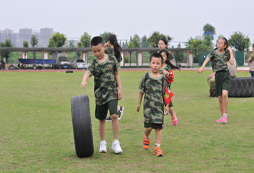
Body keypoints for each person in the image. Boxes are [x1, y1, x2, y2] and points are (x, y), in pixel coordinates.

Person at [81, 36, 123, 154]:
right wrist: (84, 80)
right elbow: (88, 71)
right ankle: (103, 142)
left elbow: (117, 73)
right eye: (94, 51)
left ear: (104, 47)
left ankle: (115, 143)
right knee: (102, 119)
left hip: (112, 92)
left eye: (98, 50)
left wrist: (119, 88)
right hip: (100, 95)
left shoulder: (112, 59)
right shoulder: (94, 63)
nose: (97, 53)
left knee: (114, 115)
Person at [137, 52, 169, 157]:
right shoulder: (145, 76)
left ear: (162, 65)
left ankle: (157, 147)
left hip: (159, 107)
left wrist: (167, 106)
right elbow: (141, 90)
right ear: (150, 64)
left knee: (158, 127)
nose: (155, 65)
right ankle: (146, 137)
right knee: (149, 128)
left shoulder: (163, 79)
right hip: (147, 107)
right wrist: (139, 103)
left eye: (158, 63)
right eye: (153, 63)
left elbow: (166, 94)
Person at [198, 37, 234, 124]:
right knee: (220, 97)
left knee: (225, 94)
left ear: (225, 45)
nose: (219, 44)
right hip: (217, 75)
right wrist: (202, 67)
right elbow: (208, 58)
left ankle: (225, 115)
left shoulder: (227, 53)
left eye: (221, 43)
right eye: (218, 42)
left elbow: (232, 62)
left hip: (225, 74)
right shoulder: (214, 52)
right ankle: (222, 117)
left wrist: (231, 51)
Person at [104, 34, 124, 122]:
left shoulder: (107, 50)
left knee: (107, 95)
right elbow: (119, 61)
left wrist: (104, 48)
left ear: (108, 41)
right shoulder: (117, 51)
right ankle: (117, 109)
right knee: (111, 94)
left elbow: (102, 58)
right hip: (115, 75)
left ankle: (117, 109)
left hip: (107, 75)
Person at [159, 49, 180, 125]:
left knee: (169, 106)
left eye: (164, 56)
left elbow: (172, 78)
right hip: (158, 89)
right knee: (159, 105)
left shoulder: (167, 67)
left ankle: (173, 115)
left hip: (166, 90)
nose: (162, 57)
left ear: (167, 58)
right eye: (161, 56)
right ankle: (160, 120)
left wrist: (167, 73)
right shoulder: (157, 66)